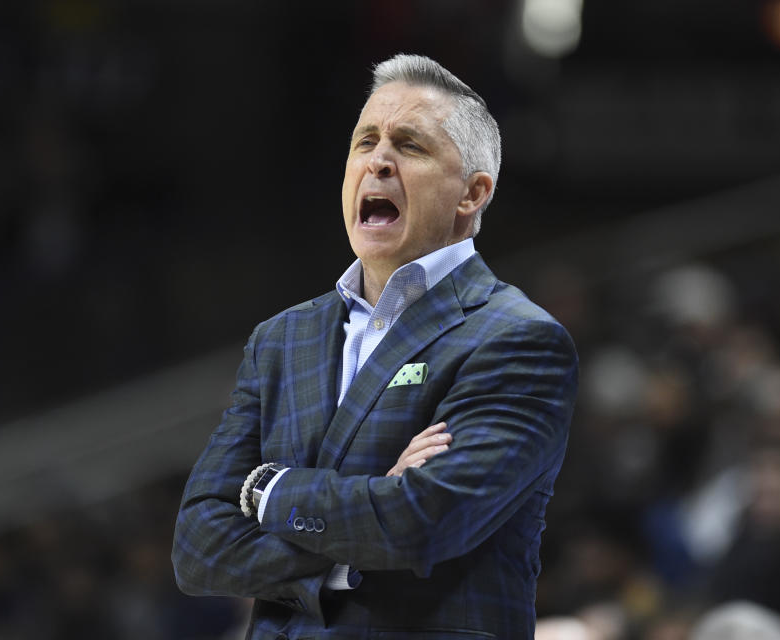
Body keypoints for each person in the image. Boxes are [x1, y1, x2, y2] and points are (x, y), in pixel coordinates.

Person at [172, 53, 578, 639]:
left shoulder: (517, 338)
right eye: (365, 141)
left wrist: (267, 489)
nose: (378, 161)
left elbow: (423, 523)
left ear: (472, 194)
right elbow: (198, 548)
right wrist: (366, 521)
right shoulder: (283, 339)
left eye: (409, 146)